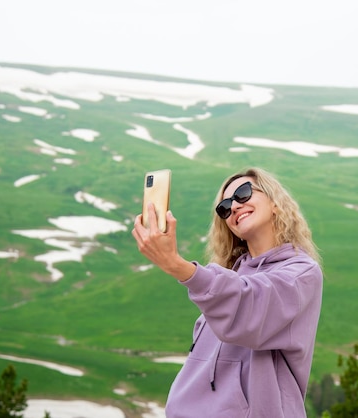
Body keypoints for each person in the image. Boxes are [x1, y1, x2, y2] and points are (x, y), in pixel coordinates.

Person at [132, 167, 323, 418]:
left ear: (275, 203)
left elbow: (251, 307)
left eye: (243, 194)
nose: (233, 207)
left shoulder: (301, 273)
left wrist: (179, 266)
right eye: (224, 206)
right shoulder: (227, 279)